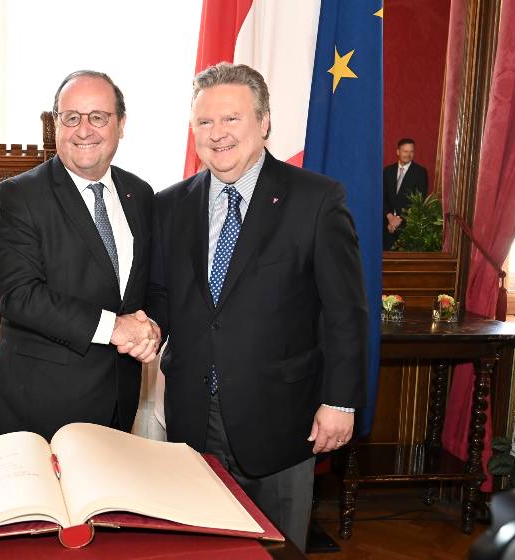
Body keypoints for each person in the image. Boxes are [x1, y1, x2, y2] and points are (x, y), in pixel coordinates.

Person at [147, 62, 367, 550]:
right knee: (199, 546)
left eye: (232, 119)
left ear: (264, 122)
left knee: (278, 548)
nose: (218, 134)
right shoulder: (168, 206)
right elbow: (164, 296)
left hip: (282, 421)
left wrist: (339, 400)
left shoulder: (316, 200)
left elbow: (345, 311)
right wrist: (146, 327)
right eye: (205, 122)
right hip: (190, 418)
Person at [0, 70, 160, 441]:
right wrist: (115, 328)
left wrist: (151, 329)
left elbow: (148, 285)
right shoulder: (19, 197)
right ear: (55, 123)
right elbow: (18, 296)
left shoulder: (139, 194)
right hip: (37, 413)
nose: (83, 129)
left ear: (121, 124)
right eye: (71, 117)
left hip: (117, 407)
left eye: (98, 117)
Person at [383, 138, 429, 250]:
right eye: (405, 151)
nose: (408, 155)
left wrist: (398, 220)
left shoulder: (420, 172)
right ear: (398, 152)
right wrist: (389, 217)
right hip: (385, 225)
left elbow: (419, 201)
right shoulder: (387, 171)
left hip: (407, 228)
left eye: (411, 151)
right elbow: (381, 197)